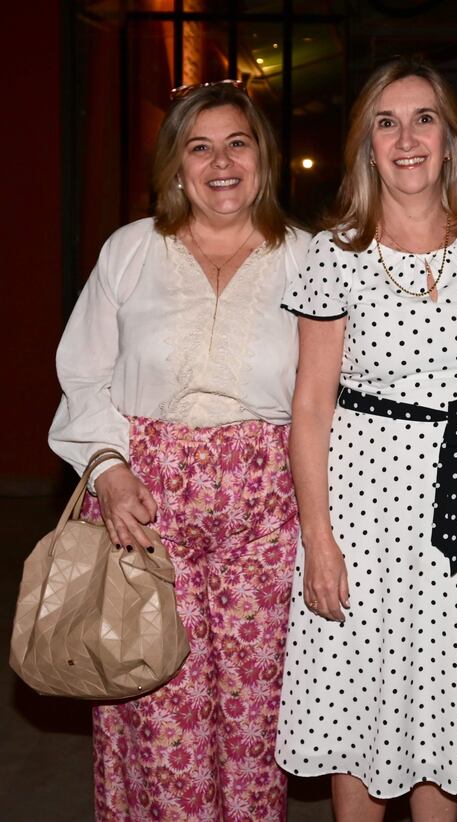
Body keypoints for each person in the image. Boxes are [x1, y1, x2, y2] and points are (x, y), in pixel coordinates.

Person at [49, 81, 310, 822]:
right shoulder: (132, 251)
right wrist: (107, 469)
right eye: (201, 147)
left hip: (270, 513)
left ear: (265, 158)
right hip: (146, 505)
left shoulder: (308, 258)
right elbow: (83, 371)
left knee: (257, 715)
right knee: (156, 703)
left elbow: (333, 394)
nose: (221, 162)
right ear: (176, 166)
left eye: (238, 143)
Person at [274, 57, 457, 821]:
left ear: (450, 140)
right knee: (359, 700)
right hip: (361, 514)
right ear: (366, 145)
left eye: (424, 119)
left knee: (445, 698)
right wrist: (318, 539)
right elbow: (310, 406)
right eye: (387, 122)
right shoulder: (335, 252)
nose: (406, 137)